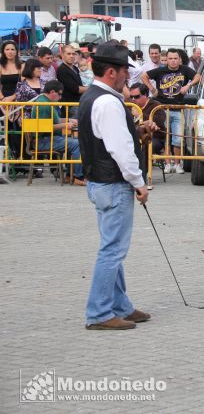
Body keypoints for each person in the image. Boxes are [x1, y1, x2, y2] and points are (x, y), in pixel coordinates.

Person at [78, 41, 151, 330]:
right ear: (111, 72)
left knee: (113, 247)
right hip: (113, 183)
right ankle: (99, 312)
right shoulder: (109, 102)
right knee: (112, 250)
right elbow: (120, 149)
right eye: (124, 71)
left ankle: (120, 305)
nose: (127, 77)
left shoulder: (94, 97)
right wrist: (139, 182)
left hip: (100, 181)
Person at [141, 48, 200, 174]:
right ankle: (168, 164)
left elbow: (198, 77)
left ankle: (178, 164)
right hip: (162, 109)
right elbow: (144, 76)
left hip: (178, 109)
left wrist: (188, 85)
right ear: (166, 60)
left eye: (175, 58)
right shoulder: (160, 70)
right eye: (170, 58)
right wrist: (152, 89)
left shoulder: (184, 70)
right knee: (167, 137)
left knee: (178, 139)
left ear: (180, 59)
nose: (173, 61)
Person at [31, 80, 84, 184]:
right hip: (43, 141)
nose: (60, 97)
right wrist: (65, 125)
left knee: (73, 142)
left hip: (48, 139)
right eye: (59, 94)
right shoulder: (44, 105)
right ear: (52, 92)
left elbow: (53, 120)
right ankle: (79, 177)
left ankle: (70, 176)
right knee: (77, 144)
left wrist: (68, 120)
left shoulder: (44, 102)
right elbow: (44, 128)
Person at [128, 82, 166, 179]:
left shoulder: (156, 106)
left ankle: (141, 176)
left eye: (136, 97)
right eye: (131, 97)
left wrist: (139, 116)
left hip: (155, 137)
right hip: (133, 137)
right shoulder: (128, 106)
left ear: (145, 95)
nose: (133, 100)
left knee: (147, 144)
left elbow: (158, 123)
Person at [56, 44, 87, 118]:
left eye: (73, 54)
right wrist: (92, 88)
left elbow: (80, 85)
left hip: (78, 104)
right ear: (62, 55)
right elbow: (75, 89)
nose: (71, 56)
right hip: (70, 106)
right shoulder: (62, 70)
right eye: (68, 54)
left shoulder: (75, 68)